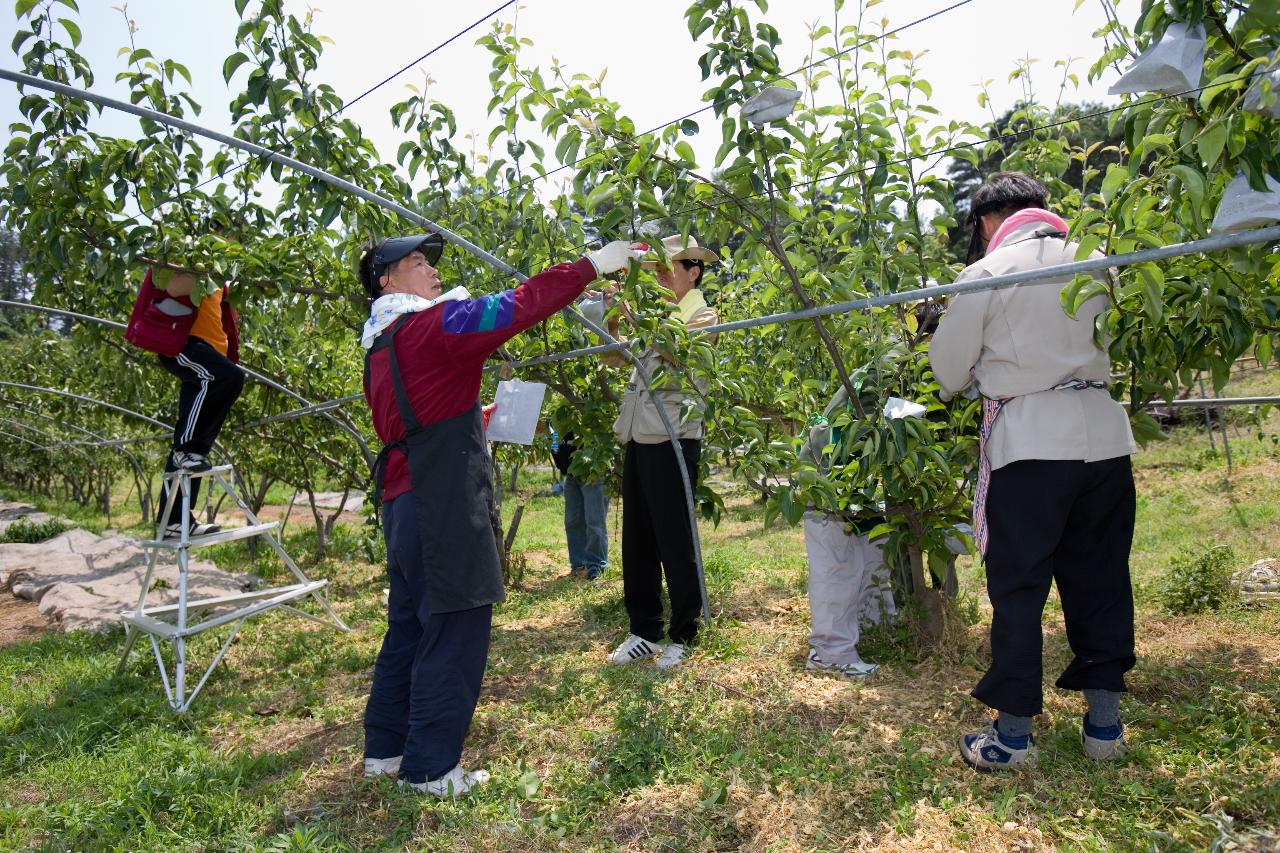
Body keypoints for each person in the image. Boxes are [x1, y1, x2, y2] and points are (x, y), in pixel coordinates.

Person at [359, 232, 641, 797]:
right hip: (442, 506)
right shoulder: (433, 326)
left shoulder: (380, 346)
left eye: (431, 261)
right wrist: (589, 266)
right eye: (416, 262)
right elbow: (516, 305)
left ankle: (386, 751)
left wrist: (482, 416)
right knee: (457, 626)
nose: (432, 270)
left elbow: (415, 418)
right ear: (385, 281)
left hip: (404, 505)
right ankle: (432, 770)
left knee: (409, 628)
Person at [929, 172, 1137, 771]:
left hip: (1030, 447)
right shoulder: (1100, 260)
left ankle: (1013, 739)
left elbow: (947, 371)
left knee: (1019, 590)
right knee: (1101, 580)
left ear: (989, 222)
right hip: (1102, 438)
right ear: (1043, 210)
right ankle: (1104, 730)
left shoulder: (987, 274)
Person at [601, 234, 719, 671]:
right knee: (639, 539)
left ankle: (685, 632)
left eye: (672, 268)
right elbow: (617, 360)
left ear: (694, 272)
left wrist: (639, 318)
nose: (663, 276)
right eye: (658, 269)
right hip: (639, 436)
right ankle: (644, 630)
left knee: (675, 538)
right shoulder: (659, 314)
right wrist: (615, 320)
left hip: (674, 438)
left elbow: (679, 354)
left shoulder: (703, 315)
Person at [797, 368, 897, 680]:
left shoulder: (894, 353)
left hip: (859, 471)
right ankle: (829, 652)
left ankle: (871, 624)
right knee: (837, 564)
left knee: (871, 550)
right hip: (833, 467)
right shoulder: (908, 361)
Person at [154, 270, 244, 538]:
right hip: (186, 344)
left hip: (209, 354)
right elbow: (169, 286)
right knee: (230, 378)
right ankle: (187, 450)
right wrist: (200, 266)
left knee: (193, 441)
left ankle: (175, 521)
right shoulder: (196, 260)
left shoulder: (221, 280)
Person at [551, 431, 609, 580]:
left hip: (593, 472)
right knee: (573, 521)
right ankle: (579, 566)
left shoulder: (591, 411)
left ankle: (597, 567)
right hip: (571, 473)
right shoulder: (560, 415)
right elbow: (555, 439)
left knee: (594, 522)